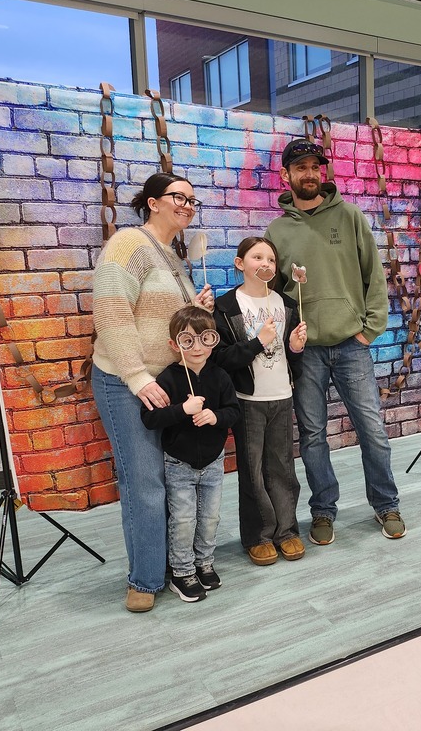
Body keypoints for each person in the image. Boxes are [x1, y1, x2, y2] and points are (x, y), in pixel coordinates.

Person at [264, 138, 406, 545]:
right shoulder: (277, 230)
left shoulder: (349, 216)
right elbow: (275, 292)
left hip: (350, 345)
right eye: (300, 167)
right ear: (287, 176)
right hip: (306, 351)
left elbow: (373, 278)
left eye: (315, 166)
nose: (309, 173)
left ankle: (386, 504)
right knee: (312, 436)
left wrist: (369, 330)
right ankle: (323, 510)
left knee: (372, 429)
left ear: (322, 172)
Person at [91, 172, 214, 613]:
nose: (187, 204)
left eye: (193, 200)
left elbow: (160, 318)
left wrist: (195, 313)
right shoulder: (129, 244)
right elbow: (110, 310)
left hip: (166, 387)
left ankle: (165, 564)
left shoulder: (172, 256)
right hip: (128, 383)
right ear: (152, 202)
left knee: (165, 482)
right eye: (178, 196)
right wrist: (137, 376)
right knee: (144, 483)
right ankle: (144, 579)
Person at [213, 237, 308, 566]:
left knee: (282, 468)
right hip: (248, 400)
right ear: (240, 264)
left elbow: (290, 357)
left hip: (282, 395)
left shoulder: (286, 304)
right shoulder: (226, 307)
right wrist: (257, 342)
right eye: (257, 257)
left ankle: (287, 530)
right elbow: (222, 358)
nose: (265, 263)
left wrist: (295, 347)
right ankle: (258, 535)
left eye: (270, 258)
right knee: (252, 472)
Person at [140, 306, 239, 602]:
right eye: (188, 341)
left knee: (209, 517)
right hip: (179, 463)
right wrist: (182, 410)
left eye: (204, 339)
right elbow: (150, 419)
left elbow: (234, 411)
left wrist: (214, 417)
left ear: (214, 340)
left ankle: (203, 563)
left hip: (213, 462)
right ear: (175, 345)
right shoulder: (168, 378)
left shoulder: (220, 377)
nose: (197, 347)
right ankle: (182, 571)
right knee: (184, 519)